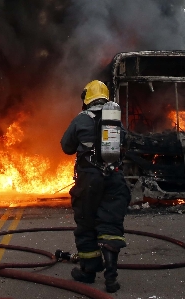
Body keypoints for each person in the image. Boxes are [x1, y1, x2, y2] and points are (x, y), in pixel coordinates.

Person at [60, 80, 130, 293]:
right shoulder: (115, 121)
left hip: (89, 180)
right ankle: (111, 277)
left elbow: (66, 146)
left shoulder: (81, 119)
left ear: (86, 99)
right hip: (115, 178)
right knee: (111, 225)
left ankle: (89, 271)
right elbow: (126, 143)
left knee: (86, 223)